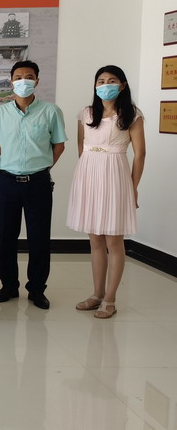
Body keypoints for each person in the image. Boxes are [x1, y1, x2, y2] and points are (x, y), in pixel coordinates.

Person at [68, 66, 145, 319]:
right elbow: (82, 148)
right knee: (95, 239)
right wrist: (86, 178)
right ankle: (96, 294)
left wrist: (133, 187)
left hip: (115, 177)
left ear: (122, 85)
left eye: (111, 81)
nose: (105, 85)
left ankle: (110, 299)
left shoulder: (131, 115)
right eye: (100, 81)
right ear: (95, 85)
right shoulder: (86, 113)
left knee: (114, 240)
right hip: (89, 176)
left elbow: (140, 154)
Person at [0, 60, 66, 309]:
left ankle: (37, 289)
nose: (24, 81)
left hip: (38, 182)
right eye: (19, 77)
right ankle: (9, 285)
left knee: (39, 238)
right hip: (7, 182)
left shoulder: (51, 111)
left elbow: (59, 145)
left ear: (37, 81)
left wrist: (41, 167)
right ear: (11, 81)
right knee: (7, 236)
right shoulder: (0, 113)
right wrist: (16, 163)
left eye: (29, 76)